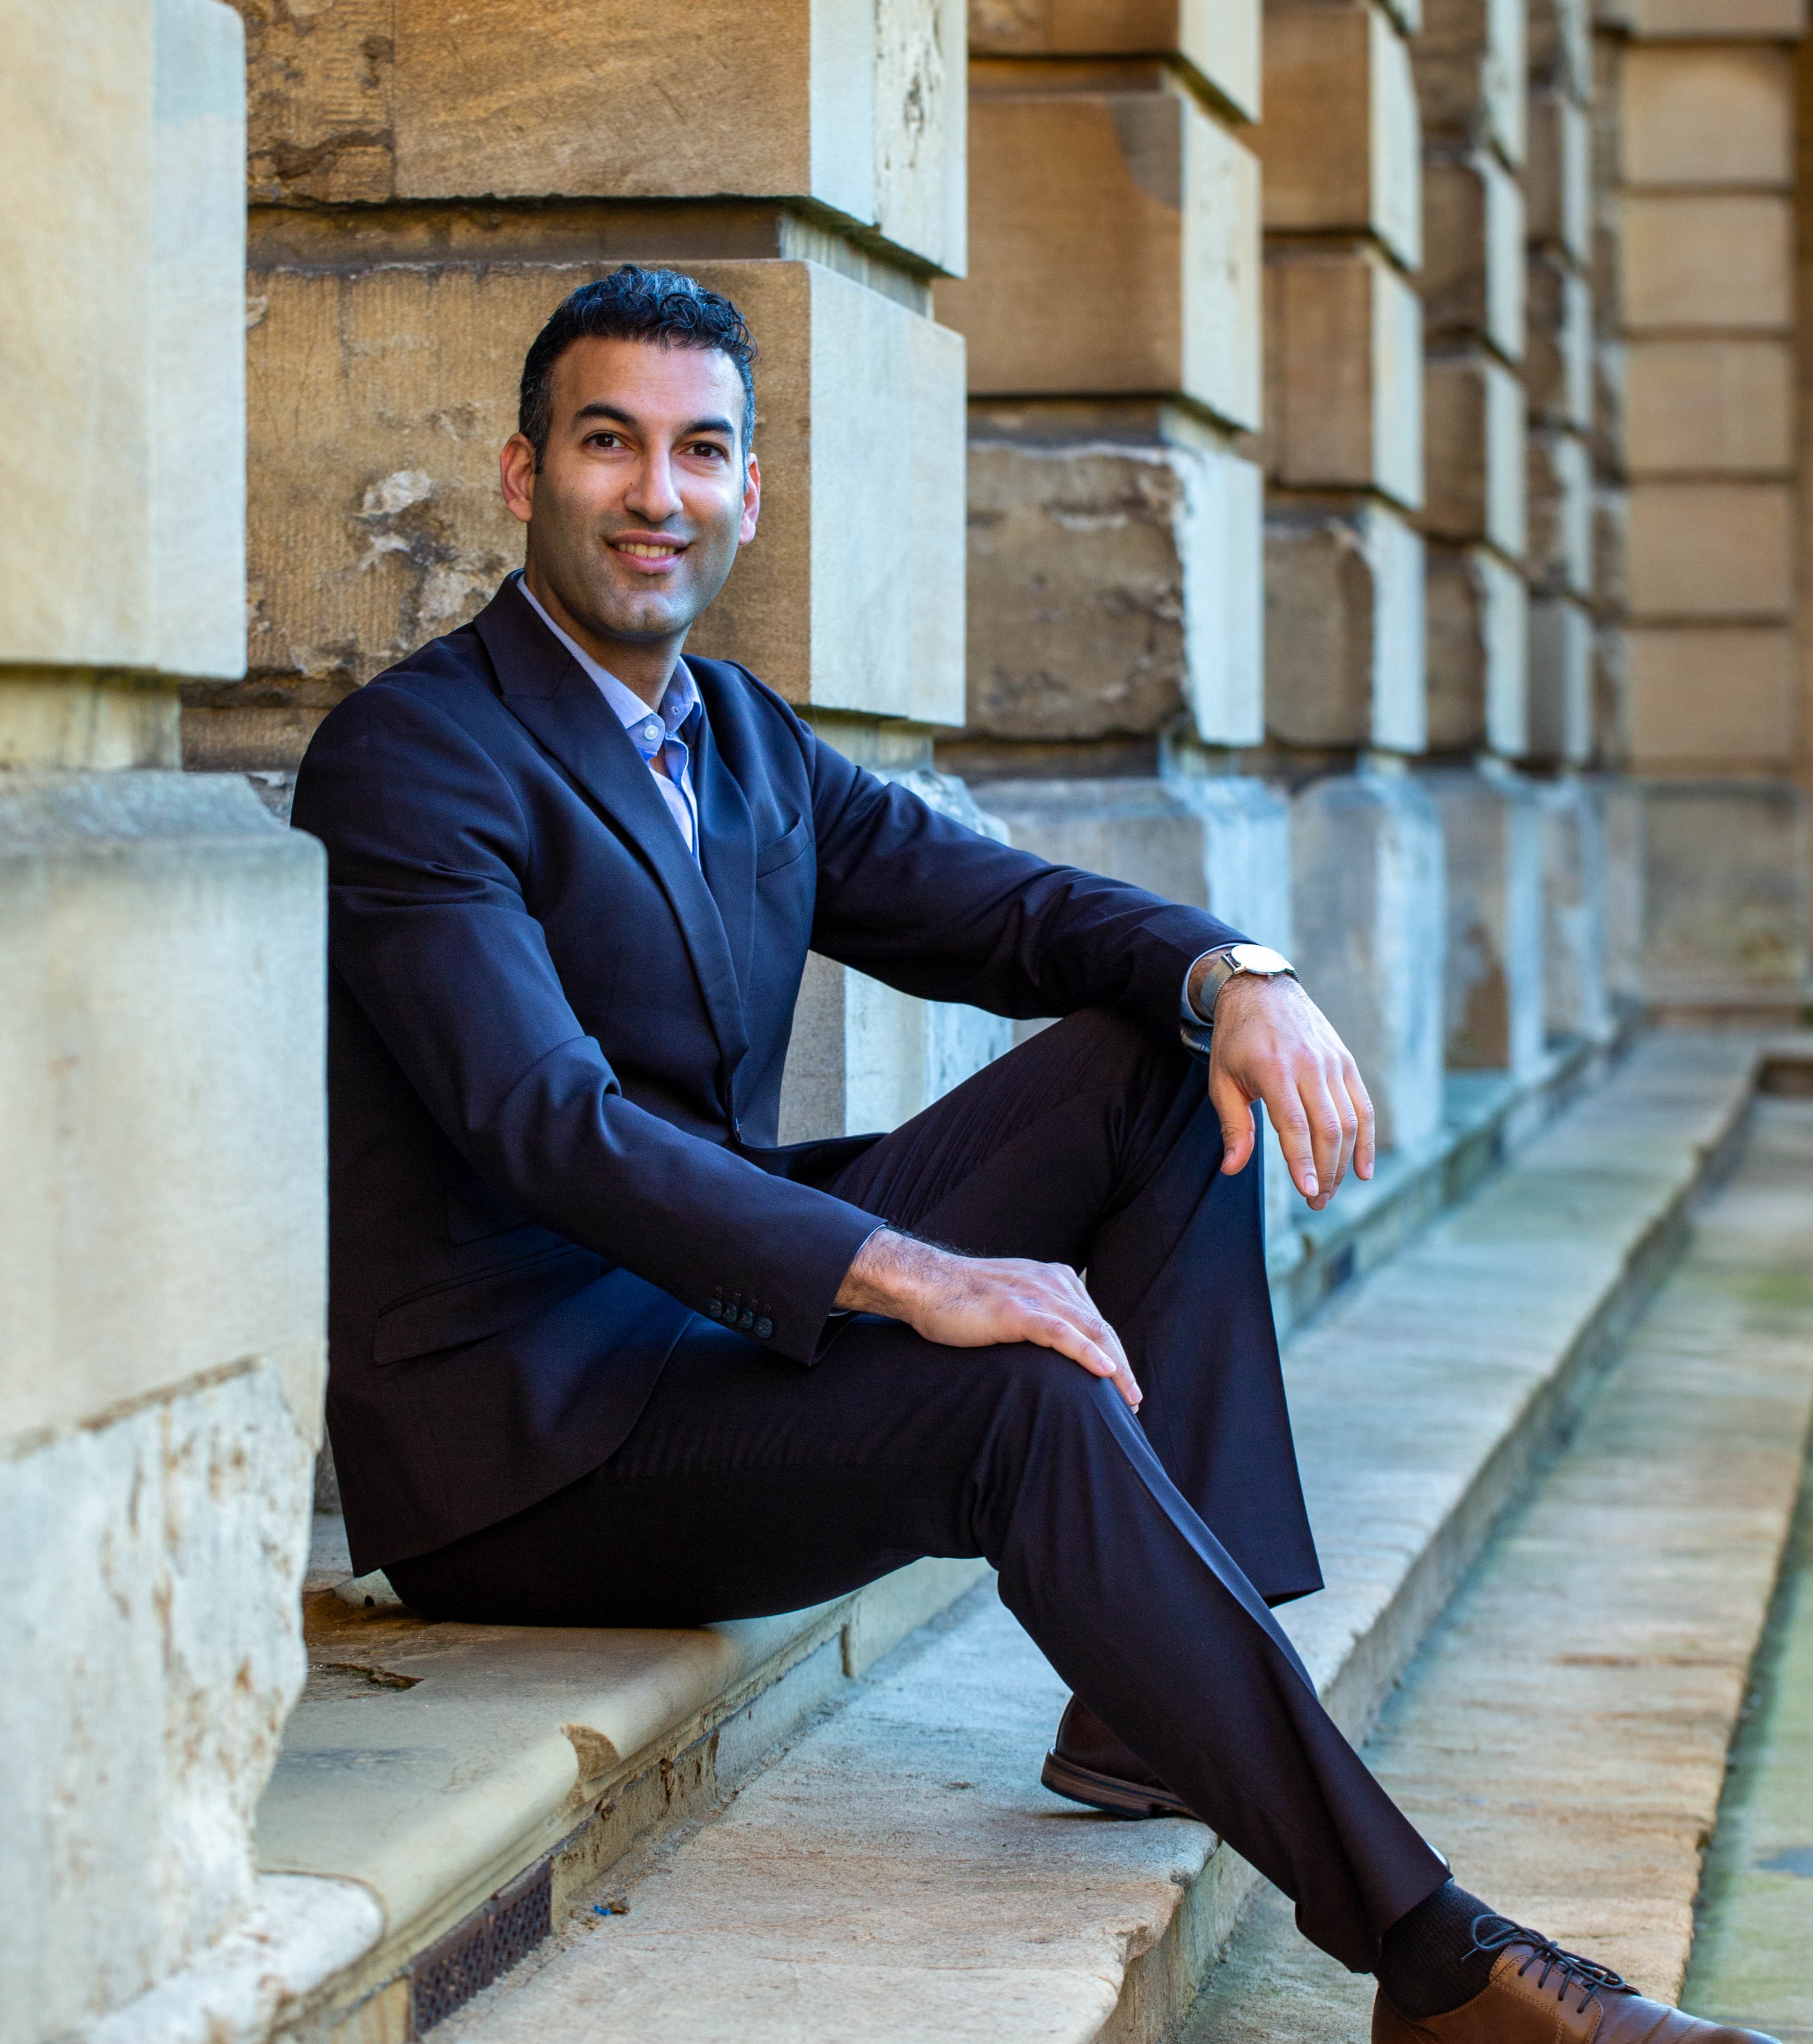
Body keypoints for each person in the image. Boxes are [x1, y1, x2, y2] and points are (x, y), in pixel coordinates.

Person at [292, 266, 1772, 2044]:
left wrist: (1235, 973)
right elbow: (550, 1127)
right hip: (533, 1438)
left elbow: (995, 910)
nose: (655, 494)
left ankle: (1159, 1713)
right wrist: (913, 1273)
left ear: (750, 493)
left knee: (1152, 1068)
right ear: (525, 475)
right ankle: (1430, 1960)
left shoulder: (736, 740)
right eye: (608, 444)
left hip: (695, 1318)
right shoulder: (412, 757)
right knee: (1020, 1397)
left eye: (698, 452)